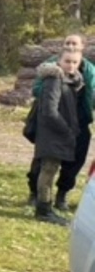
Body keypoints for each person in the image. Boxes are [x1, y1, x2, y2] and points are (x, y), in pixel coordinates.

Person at [26, 34, 95, 210]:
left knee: (75, 161)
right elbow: (38, 90)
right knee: (44, 161)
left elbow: (92, 94)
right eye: (68, 43)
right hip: (54, 119)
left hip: (79, 120)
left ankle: (62, 194)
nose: (71, 45)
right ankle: (36, 195)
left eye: (75, 43)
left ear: (82, 47)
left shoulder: (89, 71)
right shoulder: (51, 69)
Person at [31, 47, 84, 226]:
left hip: (60, 133)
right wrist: (67, 130)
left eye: (75, 62)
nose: (71, 65)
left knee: (51, 169)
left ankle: (46, 207)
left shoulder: (71, 80)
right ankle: (43, 210)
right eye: (67, 61)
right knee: (48, 169)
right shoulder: (54, 79)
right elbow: (49, 111)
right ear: (59, 61)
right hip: (52, 133)